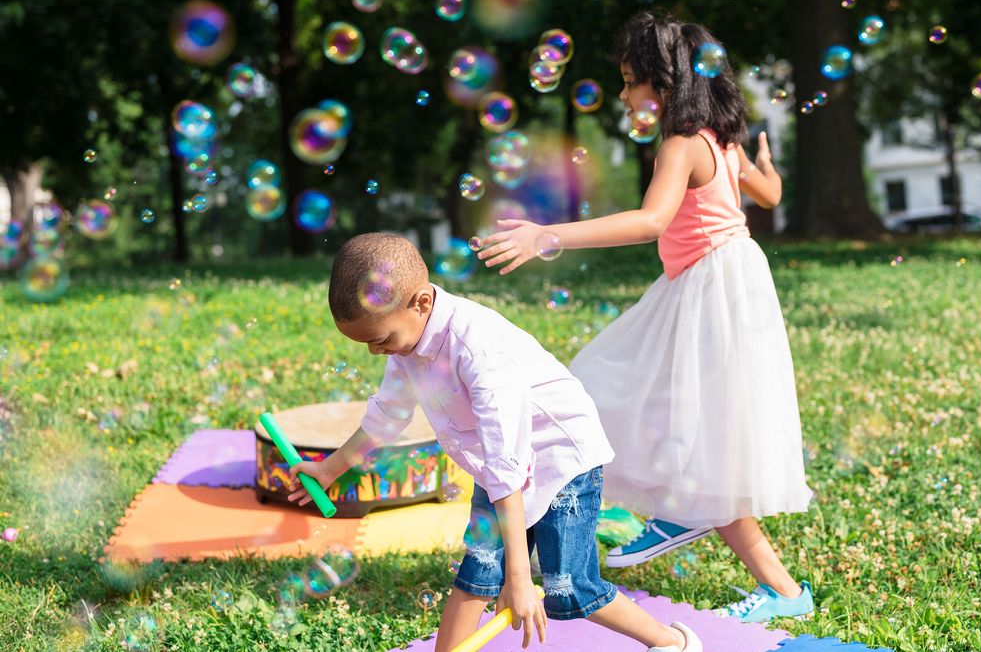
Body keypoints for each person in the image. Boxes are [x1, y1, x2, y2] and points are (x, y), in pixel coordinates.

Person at [476, 11, 815, 623]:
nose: (626, 94)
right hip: (714, 285)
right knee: (623, 395)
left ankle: (783, 591)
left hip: (710, 290)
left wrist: (547, 235)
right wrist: (768, 172)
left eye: (633, 80)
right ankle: (680, 512)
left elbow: (651, 220)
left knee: (636, 408)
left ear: (667, 81)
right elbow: (770, 196)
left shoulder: (683, 143)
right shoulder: (721, 137)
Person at [289, 232, 702, 651]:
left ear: (421, 303)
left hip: (560, 460)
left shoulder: (476, 348)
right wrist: (330, 468)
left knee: (567, 585)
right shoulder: (405, 346)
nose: (377, 352)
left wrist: (520, 579)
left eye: (381, 339)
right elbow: (388, 415)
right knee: (480, 566)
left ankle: (672, 642)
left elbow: (509, 461)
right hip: (496, 463)